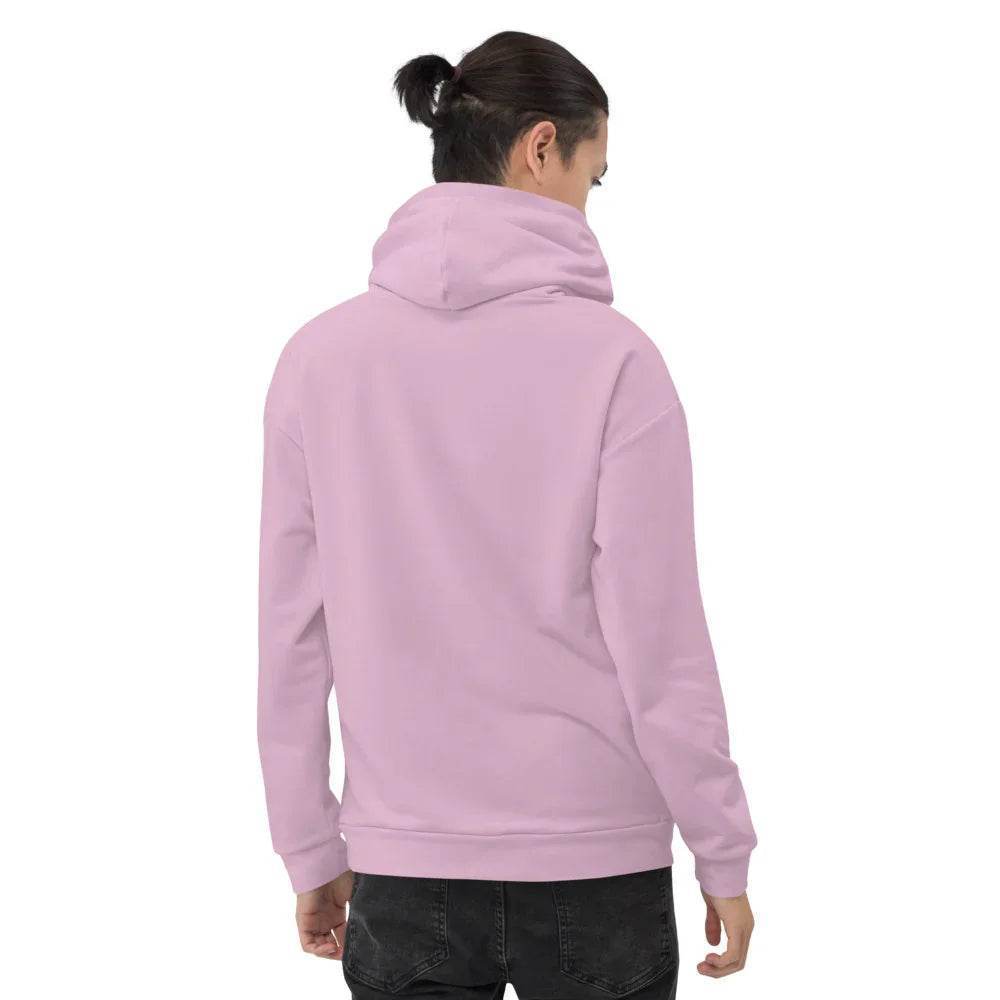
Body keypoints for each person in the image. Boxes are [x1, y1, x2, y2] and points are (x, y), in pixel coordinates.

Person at [258, 30, 757, 998]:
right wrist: (721, 848)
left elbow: (291, 637)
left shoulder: (317, 362)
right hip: (596, 862)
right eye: (593, 176)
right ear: (540, 147)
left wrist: (308, 846)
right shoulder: (616, 362)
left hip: (404, 865)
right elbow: (660, 639)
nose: (590, 202)